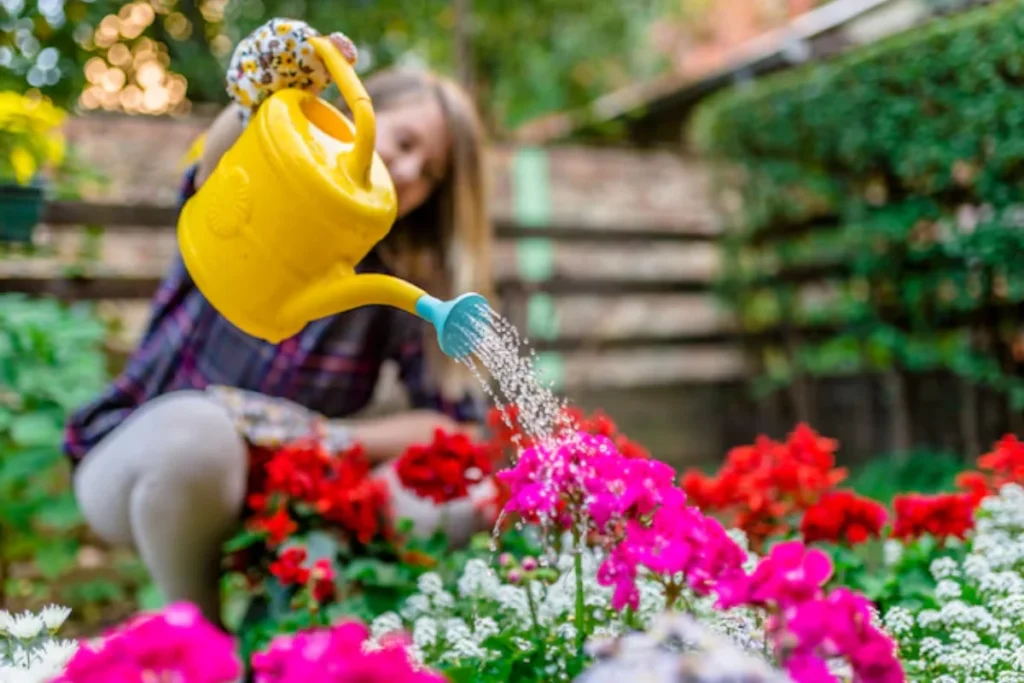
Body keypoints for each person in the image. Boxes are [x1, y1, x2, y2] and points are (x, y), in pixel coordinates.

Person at [62, 18, 494, 626]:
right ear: (347, 118)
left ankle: (311, 648)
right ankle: (200, 643)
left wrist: (326, 438)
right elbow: (218, 167)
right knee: (200, 431)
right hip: (139, 463)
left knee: (457, 501)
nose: (406, 173)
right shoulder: (266, 191)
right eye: (401, 143)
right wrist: (259, 101)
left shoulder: (395, 283)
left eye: (429, 174)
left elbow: (457, 428)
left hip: (274, 496)